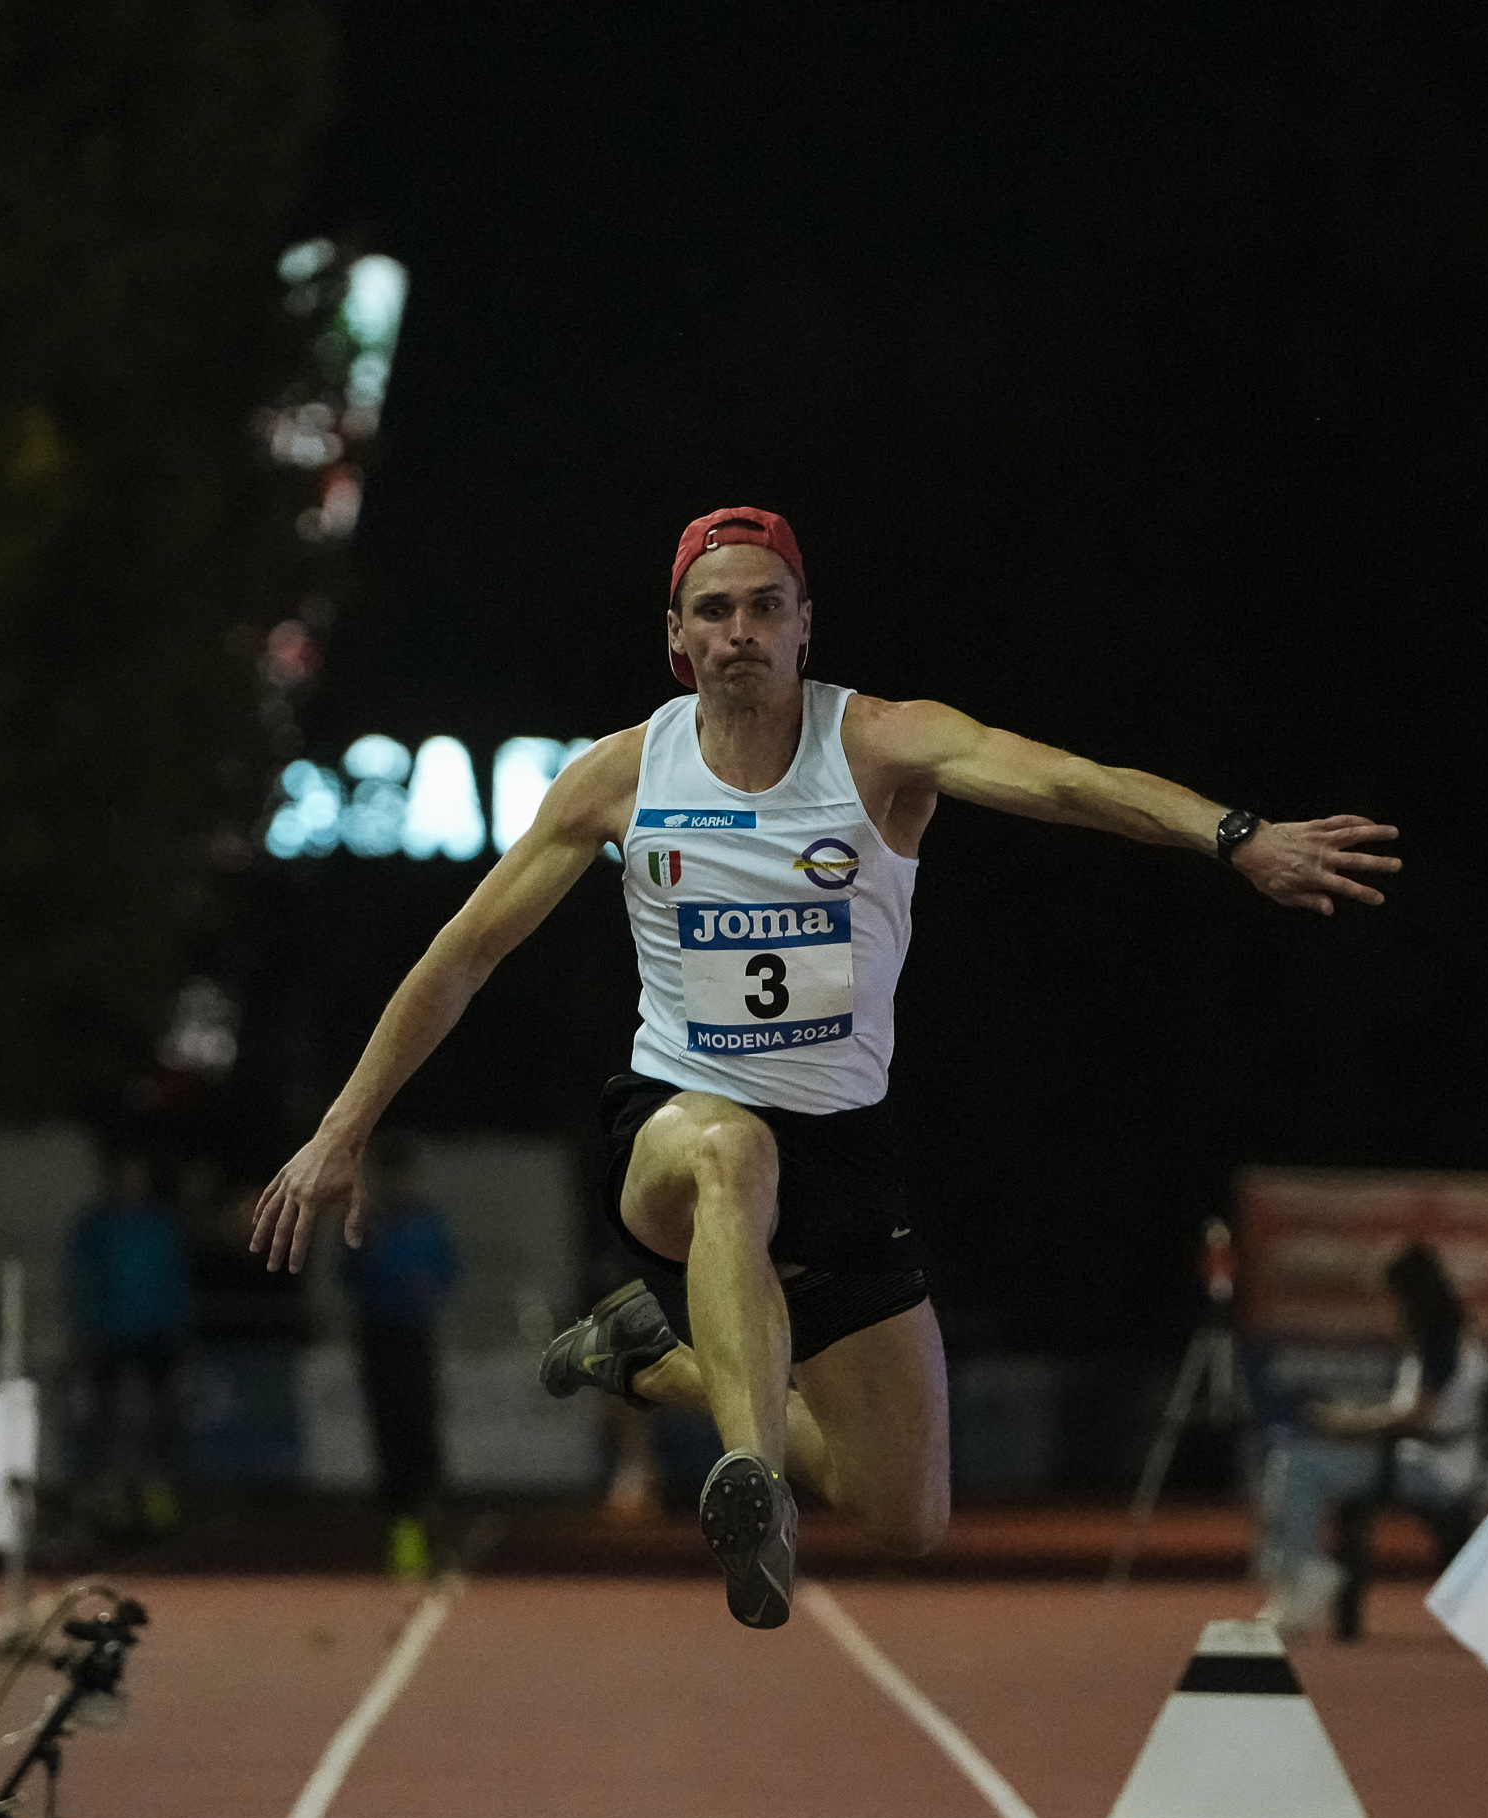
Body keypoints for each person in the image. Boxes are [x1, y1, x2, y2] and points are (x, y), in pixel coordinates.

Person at [251, 505, 1400, 1630]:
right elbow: (463, 955)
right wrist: (342, 1129)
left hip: (842, 1152)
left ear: (806, 624)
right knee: (732, 1150)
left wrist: (1236, 836)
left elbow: (1069, 782)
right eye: (714, 610)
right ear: (676, 635)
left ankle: (657, 1357)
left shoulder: (882, 746)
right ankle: (752, 1489)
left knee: (908, 1514)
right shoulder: (619, 777)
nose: (739, 631)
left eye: (765, 607)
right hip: (675, 1125)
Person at [1257, 1241, 1488, 1636]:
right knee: (1296, 1457)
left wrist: (1349, 1424)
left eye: (1392, 1297)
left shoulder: (1441, 1339)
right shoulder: (1442, 1335)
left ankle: (1303, 1572)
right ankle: (1299, 1572)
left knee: (1296, 1463)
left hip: (1437, 1470)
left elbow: (1417, 1417)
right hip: (1423, 1459)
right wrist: (1351, 1422)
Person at [339, 1136, 459, 1578]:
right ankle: (401, 1524)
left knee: (422, 1425)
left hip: (417, 1334)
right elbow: (345, 1277)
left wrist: (428, 1286)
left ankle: (428, 1517)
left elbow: (450, 1271)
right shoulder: (367, 1222)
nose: (395, 1184)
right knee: (388, 1429)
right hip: (377, 1334)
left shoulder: (427, 1221)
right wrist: (366, 1252)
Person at [64, 1151, 190, 1535]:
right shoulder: (95, 1224)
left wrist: (181, 1327)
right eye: (125, 1176)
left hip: (157, 1332)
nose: (132, 1184)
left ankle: (157, 1491)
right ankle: (106, 1492)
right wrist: (84, 1327)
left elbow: (178, 1278)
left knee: (163, 1413)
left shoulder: (162, 1223)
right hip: (108, 1332)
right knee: (106, 1415)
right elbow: (78, 1278)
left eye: (138, 1176)